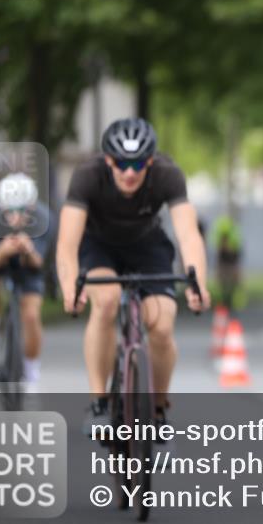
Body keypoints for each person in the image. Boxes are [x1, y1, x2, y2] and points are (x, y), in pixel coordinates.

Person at [56, 118, 211, 434]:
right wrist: (70, 288)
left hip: (147, 245)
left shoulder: (167, 174)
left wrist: (198, 283)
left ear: (150, 160)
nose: (130, 172)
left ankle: (157, 412)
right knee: (107, 301)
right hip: (98, 245)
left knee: (163, 324)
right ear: (109, 160)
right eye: (122, 163)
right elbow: (67, 243)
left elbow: (188, 235)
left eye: (138, 163)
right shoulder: (87, 175)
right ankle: (99, 402)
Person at [0, 173, 55, 391]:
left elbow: (38, 263)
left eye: (22, 211)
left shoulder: (44, 218)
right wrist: (4, 250)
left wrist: (28, 250)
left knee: (30, 315)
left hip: (29, 266)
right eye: (10, 211)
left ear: (31, 207)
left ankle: (31, 372)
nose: (16, 217)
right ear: (1, 207)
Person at [212, 213, 243, 312]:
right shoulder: (221, 236)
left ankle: (230, 302)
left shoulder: (234, 237)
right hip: (224, 264)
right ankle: (224, 302)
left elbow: (237, 251)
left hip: (231, 263)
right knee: (222, 285)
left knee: (233, 284)